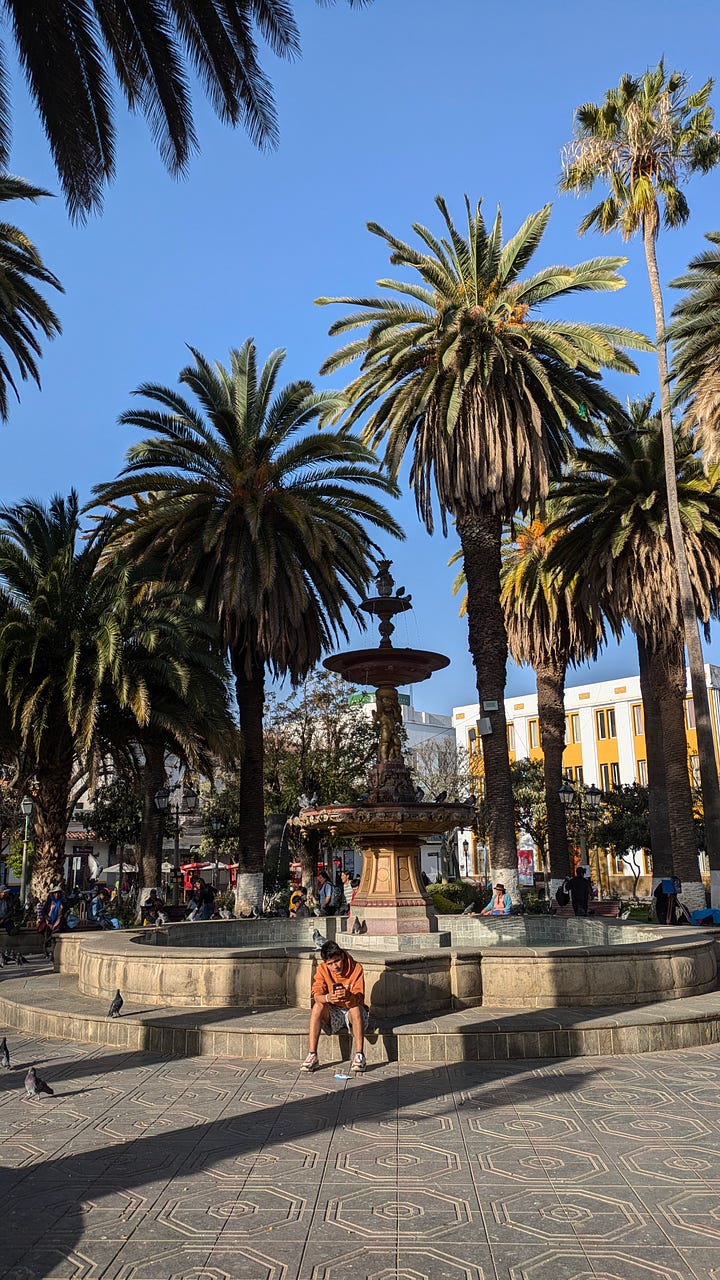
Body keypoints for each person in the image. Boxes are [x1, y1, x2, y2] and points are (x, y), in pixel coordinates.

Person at [302, 940, 368, 1074]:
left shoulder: (356, 968)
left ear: (342, 956)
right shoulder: (322, 969)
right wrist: (328, 997)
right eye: (330, 964)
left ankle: (359, 1055)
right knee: (317, 1007)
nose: (335, 967)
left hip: (353, 1011)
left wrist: (348, 995)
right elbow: (316, 994)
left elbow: (360, 999)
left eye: (337, 961)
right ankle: (312, 1054)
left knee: (355, 1007)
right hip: (334, 1011)